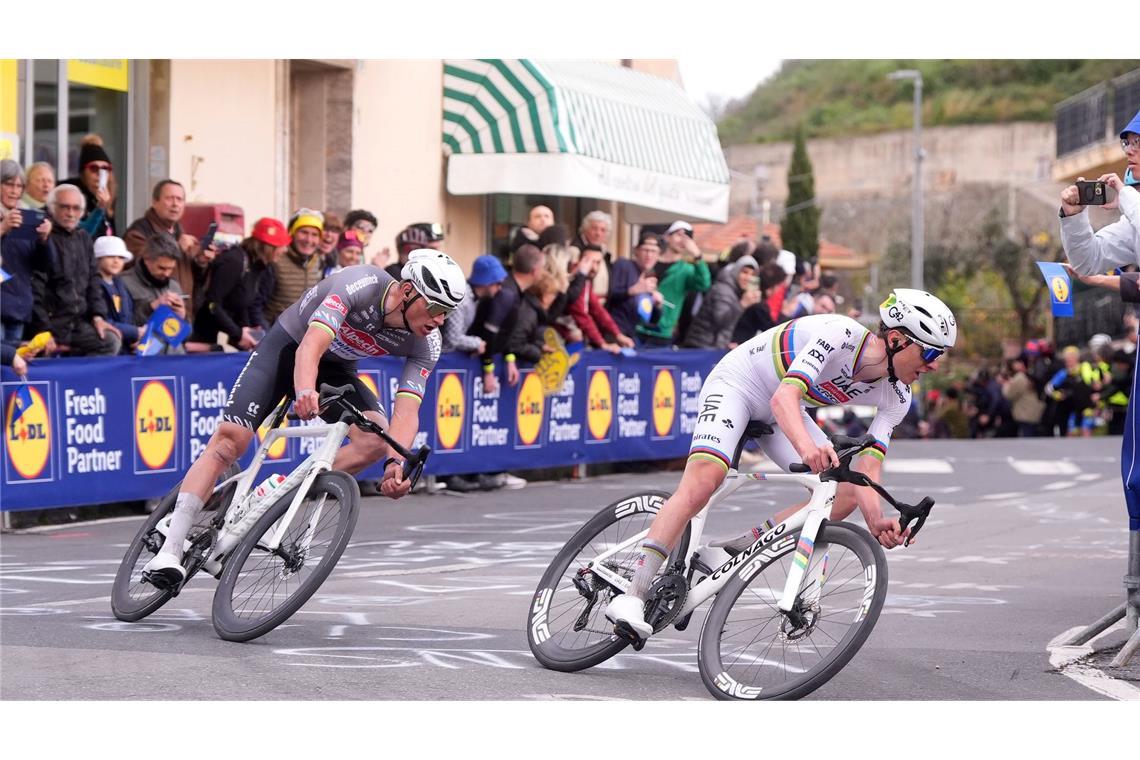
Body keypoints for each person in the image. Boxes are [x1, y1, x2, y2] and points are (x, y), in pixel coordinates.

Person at [604, 288, 957, 641]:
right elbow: (784, 396)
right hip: (739, 385)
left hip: (780, 413)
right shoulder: (841, 335)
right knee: (703, 482)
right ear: (895, 340)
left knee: (844, 493)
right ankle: (633, 595)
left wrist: (877, 519)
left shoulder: (898, 396)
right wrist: (807, 449)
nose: (934, 364)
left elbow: (868, 464)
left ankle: (729, 551)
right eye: (929, 352)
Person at [142, 249, 468, 587]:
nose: (440, 319)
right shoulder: (360, 283)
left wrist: (394, 465)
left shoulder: (427, 342)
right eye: (436, 308)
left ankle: (278, 493)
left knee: (374, 439)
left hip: (336, 369)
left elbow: (407, 410)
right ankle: (170, 547)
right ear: (407, 290)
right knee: (229, 442)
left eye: (447, 312)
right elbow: (310, 346)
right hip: (288, 349)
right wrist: (304, 390)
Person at [30, 184, 120, 356]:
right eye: (65, 207)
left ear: (82, 212)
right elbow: (35, 289)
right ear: (52, 208)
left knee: (110, 340)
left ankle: (91, 383)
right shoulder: (42, 237)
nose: (70, 213)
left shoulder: (84, 238)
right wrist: (43, 329)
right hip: (49, 324)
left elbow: (94, 281)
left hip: (79, 323)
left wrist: (98, 316)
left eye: (76, 208)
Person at [190, 217, 290, 351]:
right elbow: (213, 304)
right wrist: (238, 333)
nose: (285, 250)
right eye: (281, 246)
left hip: (221, 335)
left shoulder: (257, 266)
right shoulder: (235, 262)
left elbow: (241, 303)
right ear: (267, 247)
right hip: (201, 336)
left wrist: (247, 330)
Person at [1, 160, 53, 346]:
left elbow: (43, 266)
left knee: (12, 369)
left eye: (19, 186)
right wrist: (2, 228)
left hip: (19, 305)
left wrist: (44, 241)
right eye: (8, 184)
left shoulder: (27, 217)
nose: (14, 191)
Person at [636, 220, 711, 347]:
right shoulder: (649, 260)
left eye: (687, 237)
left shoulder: (686, 269)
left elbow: (704, 284)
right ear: (667, 236)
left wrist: (697, 255)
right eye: (679, 234)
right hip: (636, 326)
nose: (683, 240)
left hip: (662, 331)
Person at [682, 255, 762, 349]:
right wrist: (742, 304)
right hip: (702, 347)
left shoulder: (736, 290)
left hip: (711, 345)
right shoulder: (724, 289)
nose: (748, 277)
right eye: (744, 272)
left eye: (753, 274)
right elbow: (721, 321)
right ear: (736, 271)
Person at [566, 245, 634, 354]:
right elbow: (582, 316)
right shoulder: (574, 281)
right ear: (579, 261)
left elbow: (598, 310)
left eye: (597, 262)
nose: (594, 267)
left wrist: (618, 334)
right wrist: (602, 344)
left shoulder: (585, 282)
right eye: (589, 262)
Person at [265, 208, 325, 323]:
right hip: (272, 332)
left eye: (315, 234)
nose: (309, 240)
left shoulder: (319, 261)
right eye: (304, 232)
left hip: (301, 335)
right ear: (292, 233)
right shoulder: (276, 260)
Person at [121, 234, 188, 333]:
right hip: (141, 346)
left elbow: (185, 336)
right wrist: (151, 307)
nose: (167, 274)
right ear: (146, 259)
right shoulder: (124, 283)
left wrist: (182, 317)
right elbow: (123, 326)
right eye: (162, 268)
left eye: (171, 269)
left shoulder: (174, 286)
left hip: (172, 348)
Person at [607, 231, 664, 341]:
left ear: (658, 256)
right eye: (645, 250)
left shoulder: (649, 276)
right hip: (613, 332)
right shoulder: (623, 265)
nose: (649, 255)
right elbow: (609, 295)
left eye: (653, 252)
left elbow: (651, 320)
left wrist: (658, 305)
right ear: (636, 251)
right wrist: (632, 290)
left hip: (631, 335)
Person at [61, 135, 116, 239]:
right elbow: (80, 234)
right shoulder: (73, 193)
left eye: (105, 168)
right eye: (94, 168)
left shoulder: (109, 195)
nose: (100, 174)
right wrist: (100, 207)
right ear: (83, 172)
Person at [92, 236, 141, 353]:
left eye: (120, 257)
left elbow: (129, 314)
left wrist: (136, 337)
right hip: (109, 345)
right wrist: (134, 332)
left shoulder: (120, 284)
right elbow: (104, 321)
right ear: (98, 258)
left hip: (126, 346)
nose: (116, 261)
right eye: (110, 256)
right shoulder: (93, 285)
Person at [572, 210, 613, 300]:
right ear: (585, 229)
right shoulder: (574, 250)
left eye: (603, 230)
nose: (598, 233)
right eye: (594, 228)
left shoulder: (604, 251)